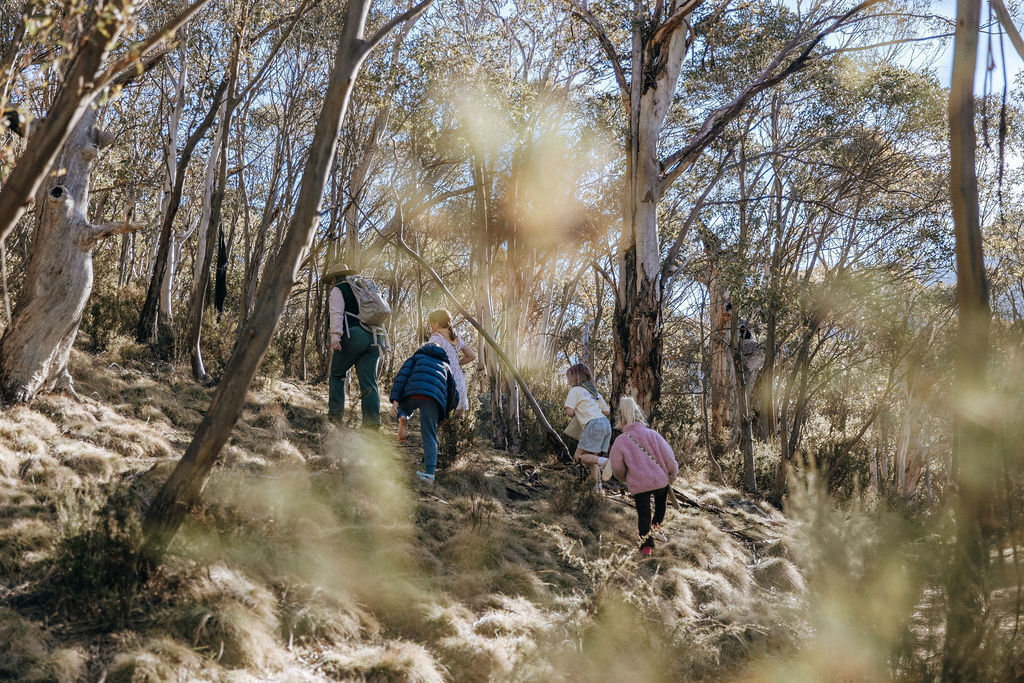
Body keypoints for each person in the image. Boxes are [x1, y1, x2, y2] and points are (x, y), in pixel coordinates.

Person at [608, 396, 678, 556]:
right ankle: (656, 527)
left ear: (620, 418)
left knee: (644, 514)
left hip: (639, 484)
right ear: (639, 414)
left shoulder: (620, 441)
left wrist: (624, 478)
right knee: (661, 506)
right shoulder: (652, 434)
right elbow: (669, 456)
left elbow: (617, 467)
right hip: (659, 480)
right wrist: (673, 473)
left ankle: (646, 547)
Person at [390, 342, 460, 483]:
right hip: (433, 398)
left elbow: (401, 377)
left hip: (413, 392)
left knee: (404, 408)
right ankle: (429, 474)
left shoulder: (416, 358)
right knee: (429, 435)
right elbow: (453, 393)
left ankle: (403, 416)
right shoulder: (445, 366)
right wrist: (445, 412)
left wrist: (396, 400)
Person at [327, 264, 380, 427]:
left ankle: (335, 417)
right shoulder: (363, 287)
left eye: (331, 280)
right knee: (369, 381)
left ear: (335, 278)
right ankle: (372, 425)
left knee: (337, 374)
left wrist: (336, 335)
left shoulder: (339, 289)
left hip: (354, 335)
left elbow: (336, 312)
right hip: (375, 337)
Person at [564, 363, 612, 492]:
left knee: (578, 456)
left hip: (593, 425)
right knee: (592, 460)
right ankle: (597, 489)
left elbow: (569, 412)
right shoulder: (594, 392)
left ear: (573, 378)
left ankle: (606, 462)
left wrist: (577, 412)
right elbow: (606, 411)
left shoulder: (575, 391)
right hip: (605, 424)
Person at [427, 309, 476, 414]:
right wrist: (456, 364)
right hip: (459, 383)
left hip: (445, 381)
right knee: (457, 423)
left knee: (441, 418)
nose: (430, 326)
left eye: (431, 322)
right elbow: (471, 356)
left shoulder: (436, 338)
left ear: (437, 323)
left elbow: (429, 358)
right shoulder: (455, 338)